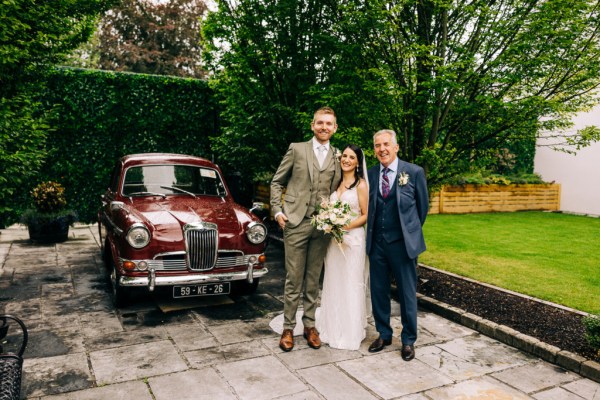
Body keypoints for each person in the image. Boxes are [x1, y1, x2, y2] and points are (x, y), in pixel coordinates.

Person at [270, 106, 342, 352]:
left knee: (313, 279)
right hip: (295, 222)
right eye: (320, 123)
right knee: (294, 278)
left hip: (322, 226)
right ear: (313, 125)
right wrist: (278, 211)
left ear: (335, 128)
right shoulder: (296, 149)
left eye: (328, 124)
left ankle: (310, 325)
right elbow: (277, 182)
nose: (324, 127)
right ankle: (288, 327)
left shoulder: (338, 156)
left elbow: (341, 189)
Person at [365, 129, 429, 361]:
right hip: (377, 243)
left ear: (396, 147)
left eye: (386, 144)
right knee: (379, 291)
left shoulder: (413, 172)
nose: (382, 149)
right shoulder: (370, 174)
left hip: (403, 244)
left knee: (407, 293)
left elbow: (422, 209)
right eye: (377, 145)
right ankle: (384, 334)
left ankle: (409, 340)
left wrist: (408, 232)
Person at [316, 144, 369, 350]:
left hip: (353, 241)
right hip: (334, 242)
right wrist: (329, 222)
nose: (346, 159)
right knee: (334, 280)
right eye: (344, 156)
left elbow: (365, 215)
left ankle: (350, 330)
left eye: (351, 157)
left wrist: (344, 225)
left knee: (350, 282)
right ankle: (331, 325)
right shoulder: (336, 183)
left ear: (357, 163)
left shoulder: (361, 185)